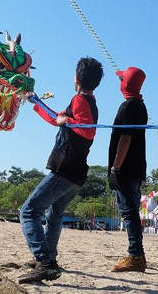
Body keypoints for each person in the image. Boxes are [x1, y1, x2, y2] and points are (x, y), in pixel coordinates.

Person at [18, 56, 104, 284]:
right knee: (54, 215)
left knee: (28, 211)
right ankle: (49, 258)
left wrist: (68, 122)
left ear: (76, 78)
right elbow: (58, 119)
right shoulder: (88, 103)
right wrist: (35, 103)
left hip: (65, 170)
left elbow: (87, 132)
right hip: (76, 174)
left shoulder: (79, 100)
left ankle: (45, 262)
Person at [107, 66, 149, 272]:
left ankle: (135, 255)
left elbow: (125, 138)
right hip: (136, 167)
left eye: (122, 79)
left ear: (126, 84)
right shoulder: (140, 105)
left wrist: (115, 169)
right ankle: (137, 253)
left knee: (129, 212)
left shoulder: (127, 107)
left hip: (126, 168)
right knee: (132, 211)